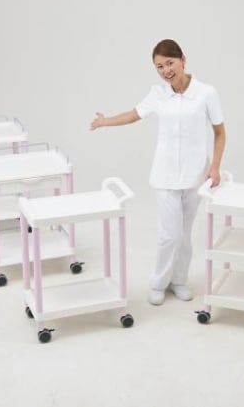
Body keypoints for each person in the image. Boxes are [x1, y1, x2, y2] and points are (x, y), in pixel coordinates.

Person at [90, 39, 226, 305]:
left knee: (184, 236)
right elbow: (133, 114)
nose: (166, 71)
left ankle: (179, 281)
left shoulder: (206, 93)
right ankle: (158, 282)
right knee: (169, 235)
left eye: (169, 63)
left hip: (196, 175)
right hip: (165, 175)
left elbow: (220, 133)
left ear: (183, 60)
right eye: (159, 67)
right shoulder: (158, 94)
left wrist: (215, 167)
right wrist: (105, 121)